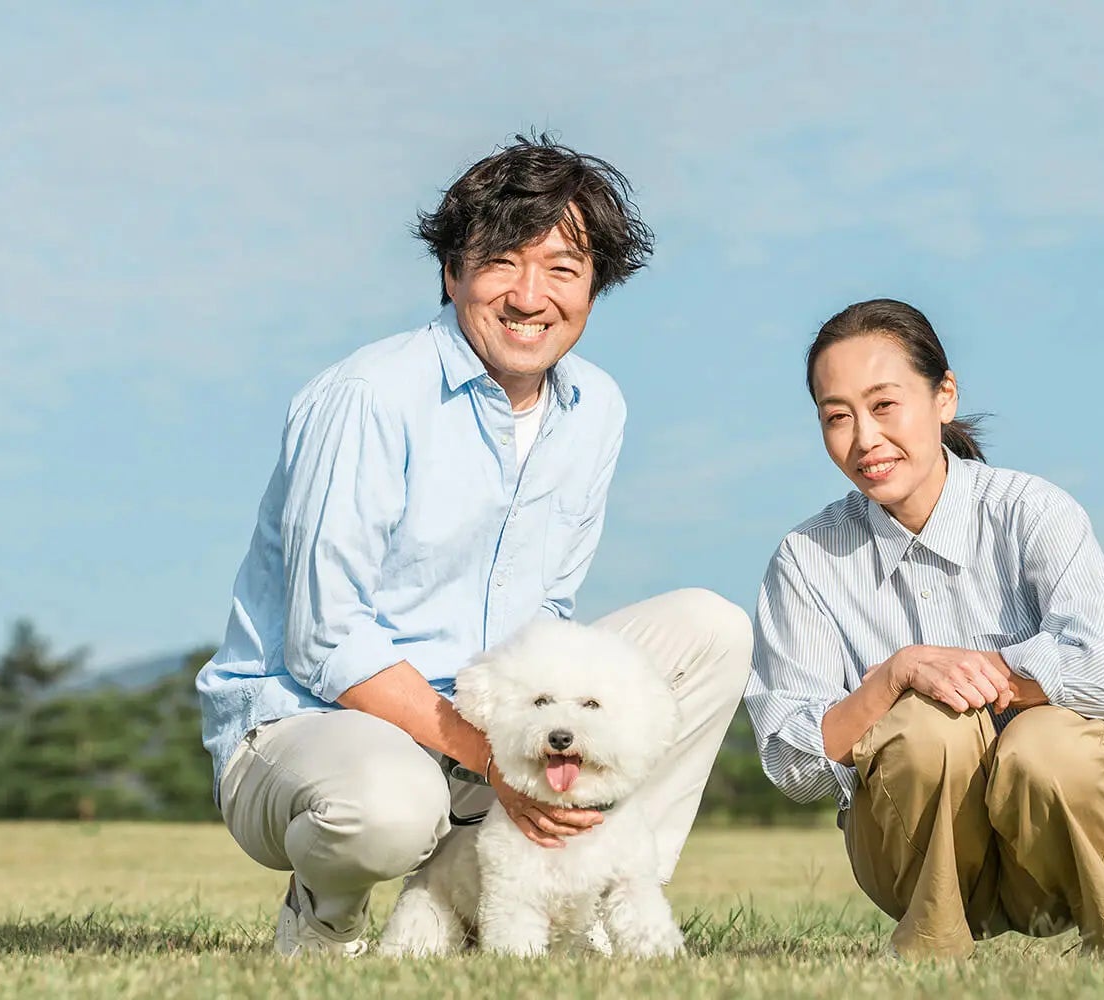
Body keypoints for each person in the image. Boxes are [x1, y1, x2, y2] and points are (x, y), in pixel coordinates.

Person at [196, 136, 753, 957]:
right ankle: (325, 915)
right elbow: (325, 641)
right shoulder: (369, 397)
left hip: (480, 722)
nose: (530, 296)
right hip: (313, 726)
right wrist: (491, 760)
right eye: (500, 262)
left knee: (711, 630)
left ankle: (600, 893)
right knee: (387, 807)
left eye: (562, 267)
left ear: (595, 284)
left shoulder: (596, 407)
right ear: (453, 271)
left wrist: (512, 741)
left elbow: (550, 610)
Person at [744, 298, 1104, 963]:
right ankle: (932, 946)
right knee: (923, 727)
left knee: (1044, 744)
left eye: (885, 405)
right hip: (911, 864)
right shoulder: (806, 559)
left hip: (1066, 844)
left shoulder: (1033, 511)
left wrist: (969, 673)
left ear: (944, 396)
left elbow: (1102, 671)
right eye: (837, 416)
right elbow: (793, 765)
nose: (864, 439)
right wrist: (897, 675)